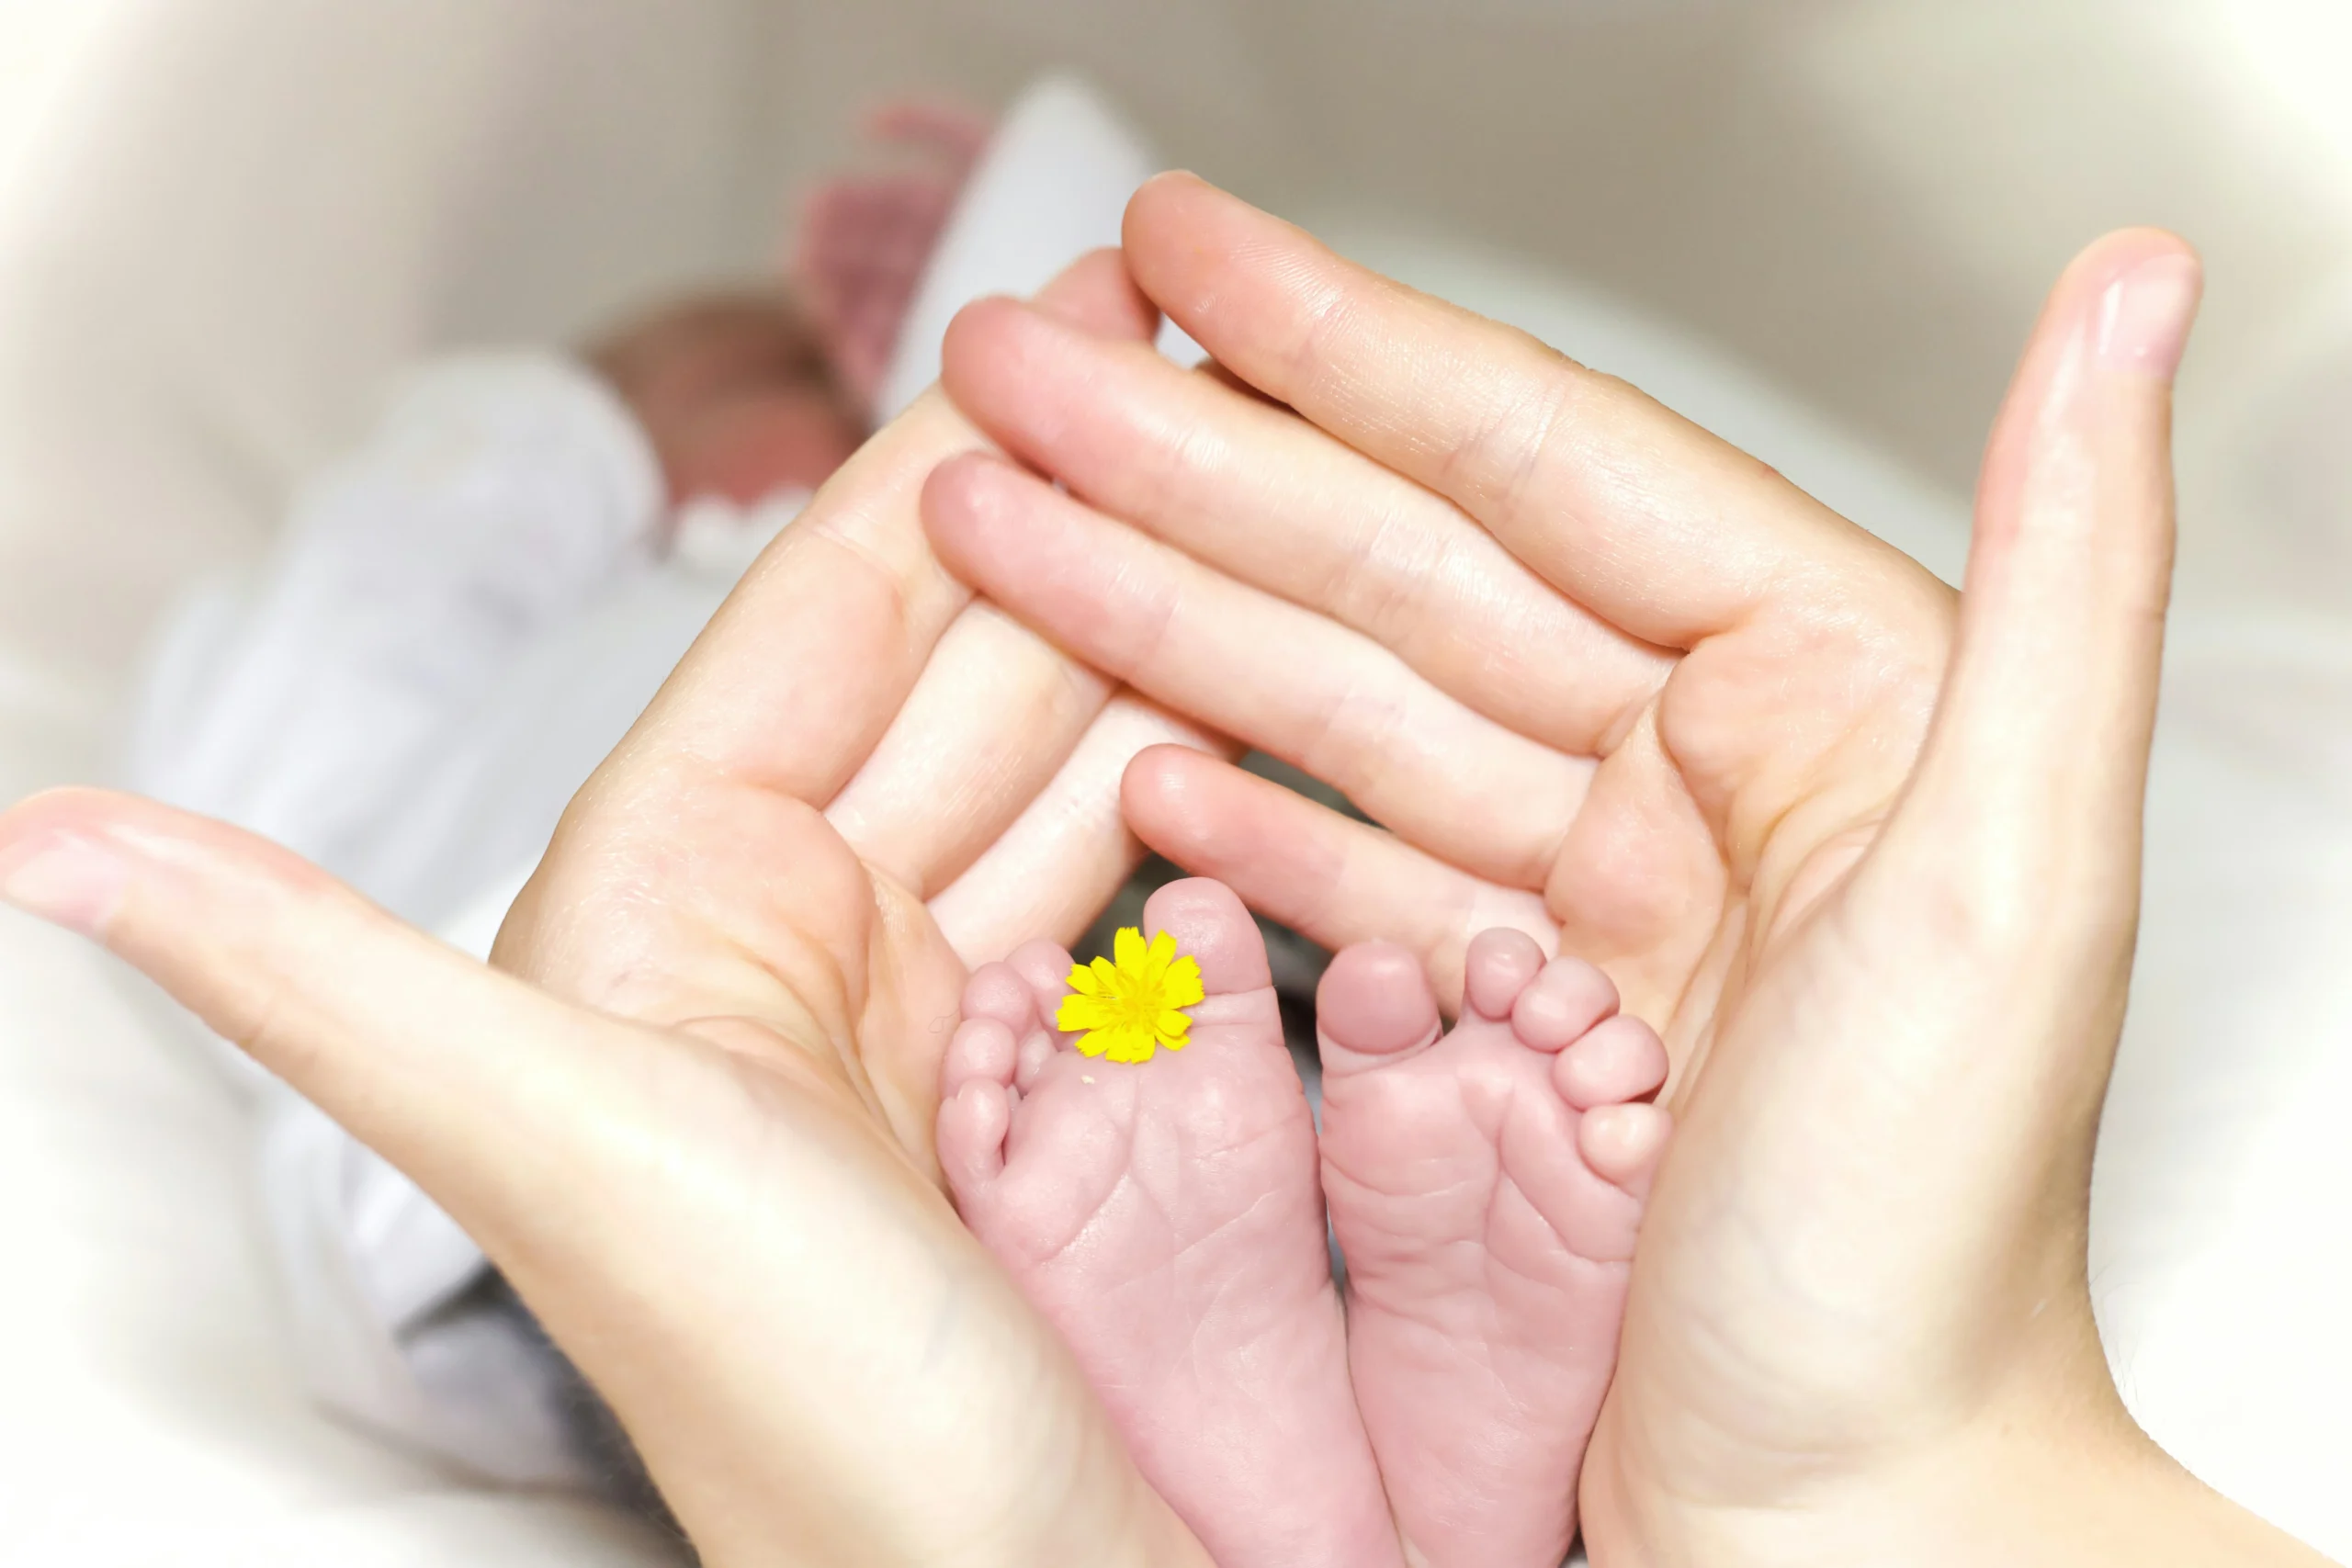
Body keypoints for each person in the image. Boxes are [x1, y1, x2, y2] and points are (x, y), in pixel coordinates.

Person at [0, 174, 2333, 1568]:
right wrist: (564, 415)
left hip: (923, 1007)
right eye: (787, 394)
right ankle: (1349, 1383)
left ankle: (1272, 1395)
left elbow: (298, 690)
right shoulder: (624, 559)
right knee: (1220, 1028)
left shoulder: (859, 626)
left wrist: (594, 424)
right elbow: (343, 619)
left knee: (1237, 1021)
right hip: (737, 1005)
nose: (827, 416)